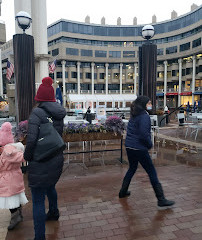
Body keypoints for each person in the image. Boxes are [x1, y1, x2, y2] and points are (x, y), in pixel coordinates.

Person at [24, 77, 66, 240]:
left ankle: (39, 237)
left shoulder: (37, 113)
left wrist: (27, 157)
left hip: (40, 159)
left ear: (39, 97)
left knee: (38, 200)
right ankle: (54, 212)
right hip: (56, 157)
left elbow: (32, 140)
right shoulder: (59, 112)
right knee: (50, 186)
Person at [119, 96, 175, 208]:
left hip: (130, 146)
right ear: (144, 104)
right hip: (139, 148)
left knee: (132, 168)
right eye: (149, 103)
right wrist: (149, 144)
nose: (151, 104)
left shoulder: (134, 114)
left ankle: (123, 191)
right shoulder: (144, 116)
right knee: (151, 172)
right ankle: (161, 199)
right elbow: (144, 135)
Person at [0, 122, 28, 230]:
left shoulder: (8, 152)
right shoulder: (7, 150)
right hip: (11, 178)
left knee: (10, 200)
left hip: (9, 180)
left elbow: (22, 157)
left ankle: (15, 217)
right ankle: (17, 215)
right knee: (13, 198)